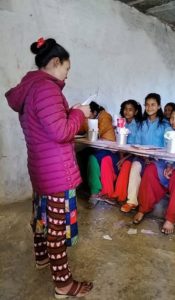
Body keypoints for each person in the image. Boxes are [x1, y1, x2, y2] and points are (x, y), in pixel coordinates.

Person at [5, 37, 93, 298]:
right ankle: (64, 284)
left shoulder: (30, 87)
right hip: (56, 172)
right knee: (57, 228)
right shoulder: (47, 89)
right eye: (67, 68)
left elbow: (48, 127)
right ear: (56, 62)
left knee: (42, 218)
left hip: (41, 167)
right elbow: (61, 131)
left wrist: (71, 111)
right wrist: (80, 114)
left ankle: (42, 258)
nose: (67, 73)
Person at [134, 104, 175, 234]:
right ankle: (142, 208)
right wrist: (169, 165)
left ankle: (170, 218)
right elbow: (167, 152)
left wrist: (174, 166)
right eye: (172, 118)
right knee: (151, 168)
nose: (173, 121)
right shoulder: (168, 132)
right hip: (167, 163)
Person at [120, 93, 169, 213]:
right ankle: (131, 201)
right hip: (142, 157)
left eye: (153, 105)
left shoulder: (165, 125)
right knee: (135, 166)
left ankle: (144, 204)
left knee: (149, 170)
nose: (149, 107)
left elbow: (167, 147)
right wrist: (142, 155)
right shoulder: (142, 124)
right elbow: (136, 144)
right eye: (147, 105)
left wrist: (153, 157)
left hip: (159, 160)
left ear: (159, 106)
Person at [100, 99, 143, 201]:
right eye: (125, 109)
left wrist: (124, 158)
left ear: (136, 112)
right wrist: (120, 156)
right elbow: (117, 143)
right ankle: (107, 192)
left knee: (126, 165)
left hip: (132, 155)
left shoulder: (139, 126)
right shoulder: (120, 123)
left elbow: (136, 148)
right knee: (106, 160)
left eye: (130, 110)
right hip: (120, 153)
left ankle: (119, 195)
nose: (127, 112)